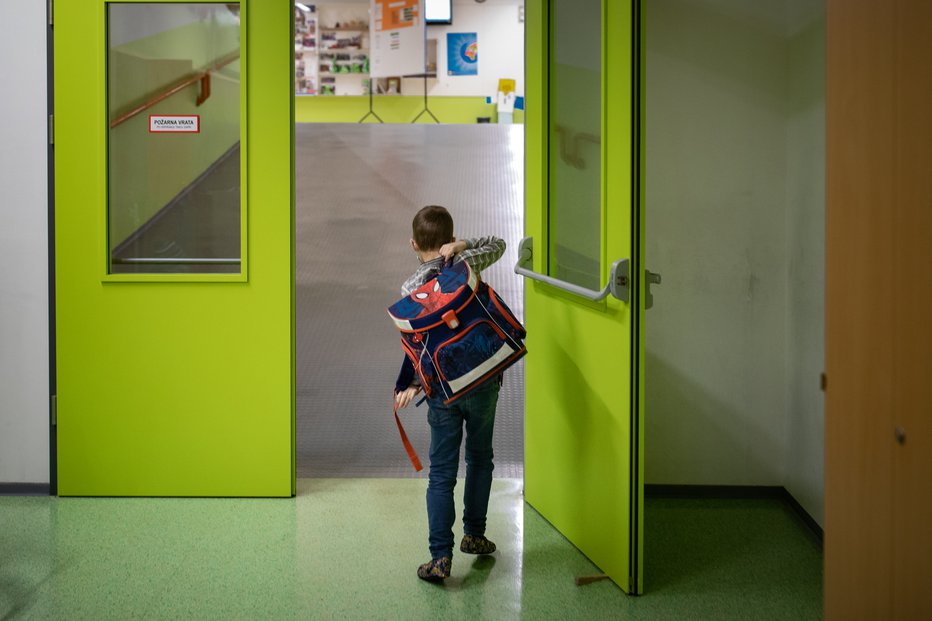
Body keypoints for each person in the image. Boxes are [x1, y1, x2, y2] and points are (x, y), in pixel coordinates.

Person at [394, 205, 507, 583]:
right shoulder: (467, 262)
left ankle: (440, 557)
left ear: (413, 244)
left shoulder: (411, 289)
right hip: (483, 379)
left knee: (441, 473)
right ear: (449, 238)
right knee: (480, 459)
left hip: (443, 389)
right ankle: (474, 535)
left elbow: (416, 348)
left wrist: (408, 385)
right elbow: (500, 244)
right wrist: (463, 245)